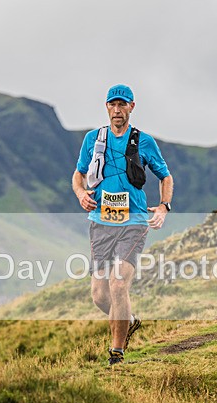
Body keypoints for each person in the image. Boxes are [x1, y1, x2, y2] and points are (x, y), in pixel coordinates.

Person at [71, 84, 174, 365]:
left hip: (134, 222)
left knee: (118, 284)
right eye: (112, 105)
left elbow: (166, 177)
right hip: (101, 223)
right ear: (106, 107)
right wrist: (81, 194)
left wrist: (164, 207)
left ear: (132, 107)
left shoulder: (144, 141)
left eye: (122, 105)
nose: (117, 110)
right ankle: (128, 320)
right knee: (99, 295)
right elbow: (78, 175)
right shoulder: (93, 139)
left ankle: (117, 353)